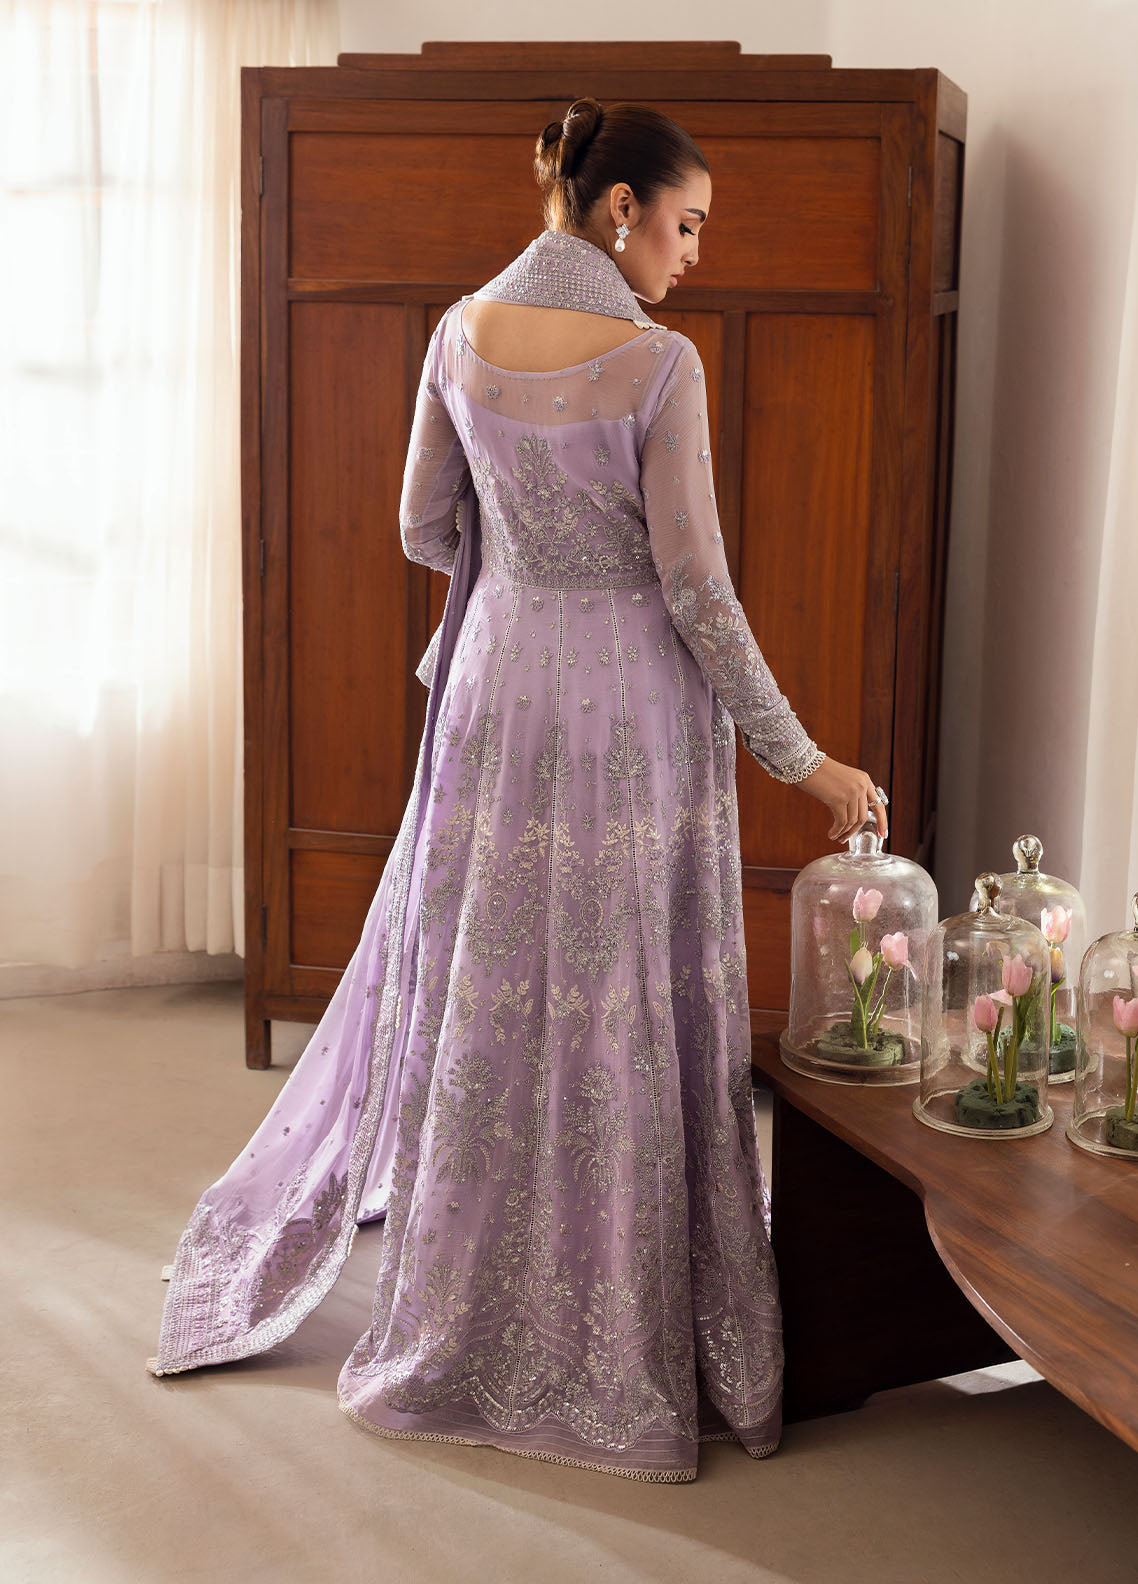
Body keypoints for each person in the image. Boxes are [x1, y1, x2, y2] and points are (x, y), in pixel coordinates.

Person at [148, 97, 888, 1483]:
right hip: (628, 714)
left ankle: (462, 1308)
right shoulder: (658, 365)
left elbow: (422, 526)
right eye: (685, 226)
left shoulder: (458, 331)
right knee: (615, 989)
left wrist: (522, 581)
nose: (692, 256)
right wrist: (805, 760)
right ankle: (620, 1313)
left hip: (495, 693)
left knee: (492, 982)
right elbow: (697, 592)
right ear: (621, 210)